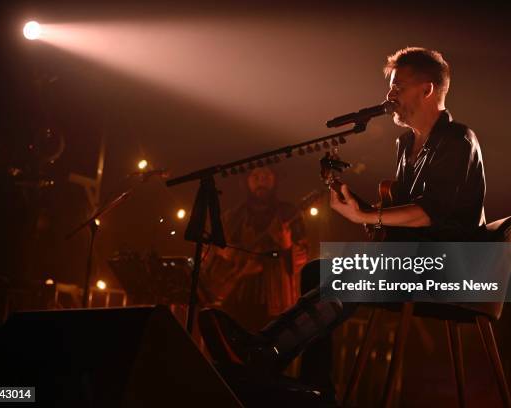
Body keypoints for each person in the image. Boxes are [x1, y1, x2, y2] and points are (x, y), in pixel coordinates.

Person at [199, 47, 487, 398]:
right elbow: (404, 219)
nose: (389, 95)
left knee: (362, 269)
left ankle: (263, 350)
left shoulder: (458, 139)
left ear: (427, 90)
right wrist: (361, 208)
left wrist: (367, 215)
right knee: (316, 272)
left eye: (398, 86)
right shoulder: (406, 144)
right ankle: (315, 384)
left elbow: (432, 212)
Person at [201, 166, 309, 332]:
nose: (261, 181)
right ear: (246, 181)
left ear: (275, 179)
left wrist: (287, 244)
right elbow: (209, 251)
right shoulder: (232, 217)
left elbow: (303, 257)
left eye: (266, 175)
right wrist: (226, 253)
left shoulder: (289, 213)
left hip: (275, 302)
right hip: (235, 298)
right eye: (255, 176)